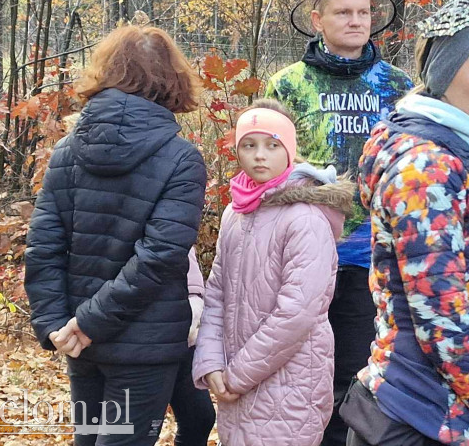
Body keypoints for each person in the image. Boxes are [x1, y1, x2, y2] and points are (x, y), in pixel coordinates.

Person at [344, 0, 469, 446]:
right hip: (420, 414)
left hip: (450, 409)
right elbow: (444, 323)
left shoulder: (456, 156)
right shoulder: (426, 170)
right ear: (444, 77)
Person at [24, 25, 207, 445]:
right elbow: (161, 257)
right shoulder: (182, 158)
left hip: (81, 338)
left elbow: (43, 247)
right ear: (171, 80)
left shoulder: (66, 150)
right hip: (139, 344)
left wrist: (61, 323)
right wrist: (73, 325)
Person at [267, 0, 414, 446]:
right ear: (318, 20)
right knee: (298, 367)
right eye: (343, 13)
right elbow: (267, 163)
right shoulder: (288, 84)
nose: (355, 21)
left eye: (363, 13)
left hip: (370, 255)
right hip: (303, 251)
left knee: (355, 369)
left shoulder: (397, 86)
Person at [192, 100, 355, 445]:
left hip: (290, 385)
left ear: (289, 150)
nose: (259, 155)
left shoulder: (305, 219)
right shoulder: (235, 215)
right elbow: (217, 293)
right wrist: (210, 364)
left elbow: (296, 313)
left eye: (272, 145)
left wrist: (236, 375)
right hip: (236, 387)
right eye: (249, 145)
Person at [167, 249, 215, 446]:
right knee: (135, 429)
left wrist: (195, 298)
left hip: (186, 325)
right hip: (143, 327)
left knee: (199, 417)